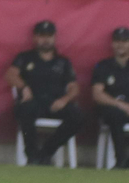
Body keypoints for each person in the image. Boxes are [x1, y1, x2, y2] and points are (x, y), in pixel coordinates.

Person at [5, 19, 83, 165]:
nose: (46, 40)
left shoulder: (63, 62)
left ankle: (46, 152)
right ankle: (32, 155)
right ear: (35, 37)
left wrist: (64, 100)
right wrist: (24, 87)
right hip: (33, 101)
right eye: (42, 36)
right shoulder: (25, 57)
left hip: (55, 103)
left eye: (49, 36)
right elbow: (10, 75)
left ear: (54, 37)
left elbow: (74, 87)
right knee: (24, 111)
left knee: (77, 116)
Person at [91, 27, 129, 169]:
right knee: (115, 115)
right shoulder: (103, 66)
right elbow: (97, 94)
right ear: (112, 43)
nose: (120, 44)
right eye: (117, 41)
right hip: (111, 108)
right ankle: (121, 160)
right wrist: (121, 105)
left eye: (124, 41)